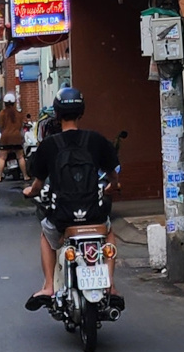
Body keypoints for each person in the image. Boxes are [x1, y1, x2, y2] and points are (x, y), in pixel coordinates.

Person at [22, 87, 124, 313]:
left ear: (57, 114)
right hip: (94, 213)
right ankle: (112, 286)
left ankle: (48, 286)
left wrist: (30, 191)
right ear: (81, 112)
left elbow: (38, 184)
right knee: (107, 232)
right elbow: (112, 173)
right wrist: (112, 186)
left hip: (63, 216)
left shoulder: (49, 145)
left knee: (46, 234)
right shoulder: (95, 140)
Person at [0, 93, 29, 182]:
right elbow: (20, 126)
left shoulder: (2, 113)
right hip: (17, 138)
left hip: (5, 138)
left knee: (2, 157)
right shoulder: (18, 114)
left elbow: (1, 126)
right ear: (14, 103)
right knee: (20, 157)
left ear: (5, 103)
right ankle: (25, 175)